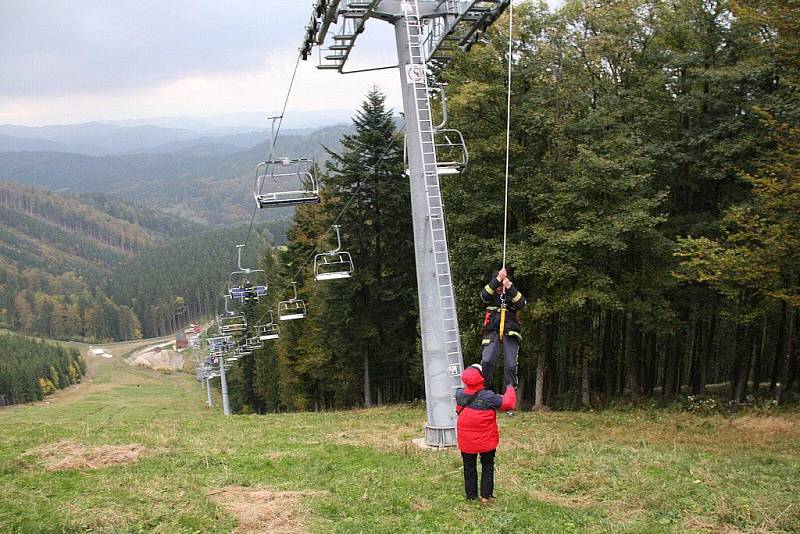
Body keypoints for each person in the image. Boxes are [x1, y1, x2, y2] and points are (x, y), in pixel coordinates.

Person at [456, 363, 516, 503]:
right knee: (487, 465)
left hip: (466, 440)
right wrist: (510, 388)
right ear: (481, 378)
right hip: (486, 440)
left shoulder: (459, 394)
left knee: (469, 467)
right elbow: (508, 403)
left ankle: (471, 497)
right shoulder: (489, 397)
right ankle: (485, 497)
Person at [480, 267, 526, 397]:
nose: (500, 287)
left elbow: (522, 303)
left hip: (510, 331)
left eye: (502, 285)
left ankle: (510, 396)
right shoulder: (490, 296)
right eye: (498, 285)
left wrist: (509, 286)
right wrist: (498, 278)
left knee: (511, 365)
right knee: (487, 360)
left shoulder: (511, 294)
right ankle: (484, 392)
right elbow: (484, 294)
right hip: (492, 331)